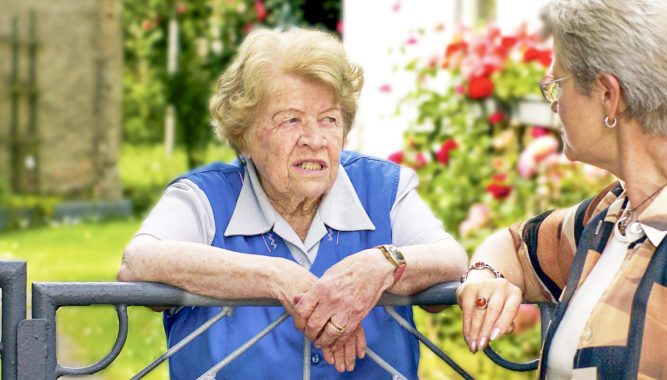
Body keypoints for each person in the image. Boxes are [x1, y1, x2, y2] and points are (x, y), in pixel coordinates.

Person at [456, 0, 667, 378]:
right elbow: (515, 246)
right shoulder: (615, 212)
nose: (553, 104)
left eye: (557, 85)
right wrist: (485, 276)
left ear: (608, 95)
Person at [117, 27, 467, 379]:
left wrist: (382, 264)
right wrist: (275, 276)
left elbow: (451, 260)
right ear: (244, 137)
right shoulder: (203, 199)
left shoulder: (384, 190)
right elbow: (139, 261)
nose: (315, 140)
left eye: (329, 119)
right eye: (290, 120)